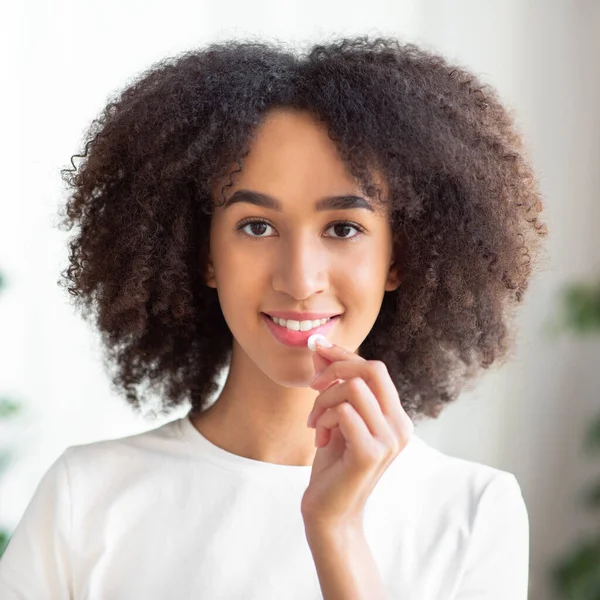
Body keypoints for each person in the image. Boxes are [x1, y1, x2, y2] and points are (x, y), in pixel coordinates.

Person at [0, 35, 548, 599]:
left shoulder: (474, 512)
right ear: (205, 252)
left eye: (343, 228)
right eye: (256, 226)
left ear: (400, 257)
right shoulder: (84, 497)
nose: (299, 278)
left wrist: (337, 534)